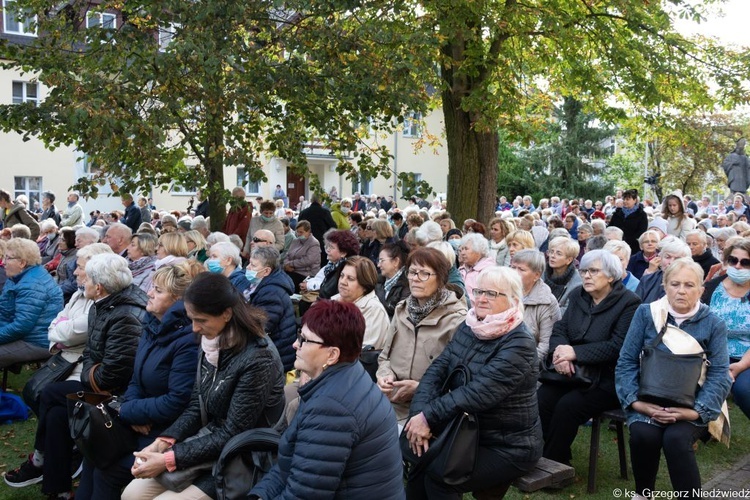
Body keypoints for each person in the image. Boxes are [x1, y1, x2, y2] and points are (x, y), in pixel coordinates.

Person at [122, 272, 285, 500]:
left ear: (227, 314)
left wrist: (169, 458)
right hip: (210, 443)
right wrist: (163, 442)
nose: (194, 329)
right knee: (131, 494)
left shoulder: (259, 357)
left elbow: (234, 431)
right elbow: (196, 405)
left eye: (201, 320)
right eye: (191, 319)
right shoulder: (211, 339)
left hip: (243, 456)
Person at [4, 253, 148, 498]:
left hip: (115, 393)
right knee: (58, 415)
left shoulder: (124, 314)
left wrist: (91, 368)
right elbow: (90, 351)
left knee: (49, 393)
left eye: (86, 276)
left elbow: (112, 375)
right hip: (95, 380)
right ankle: (58, 490)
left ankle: (43, 466)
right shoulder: (103, 305)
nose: (80, 279)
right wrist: (92, 364)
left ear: (99, 286)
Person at [405, 266, 543, 499]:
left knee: (441, 478)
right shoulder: (471, 325)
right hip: (465, 431)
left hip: (508, 445)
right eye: (479, 291)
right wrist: (418, 414)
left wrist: (428, 417)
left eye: (492, 294)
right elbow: (436, 371)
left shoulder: (519, 343)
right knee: (419, 467)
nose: (481, 299)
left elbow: (477, 393)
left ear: (513, 300)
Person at [250, 300, 403, 499]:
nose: (295, 344)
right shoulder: (345, 376)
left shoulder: (332, 408)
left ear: (332, 355)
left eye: (304, 339)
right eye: (299, 335)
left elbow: (305, 494)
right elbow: (293, 467)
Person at [76, 263, 201, 500]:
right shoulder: (152, 325)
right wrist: (130, 412)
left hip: (166, 430)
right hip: (139, 418)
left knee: (109, 469)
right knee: (95, 451)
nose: (150, 292)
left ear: (177, 300)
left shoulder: (187, 340)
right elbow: (135, 378)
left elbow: (178, 400)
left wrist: (130, 411)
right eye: (152, 287)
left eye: (158, 290)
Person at [616, 259, 731, 497]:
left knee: (676, 440)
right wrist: (637, 404)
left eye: (689, 285)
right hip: (647, 399)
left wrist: (696, 412)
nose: (681, 290)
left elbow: (720, 374)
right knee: (643, 435)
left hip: (692, 403)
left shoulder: (714, 323)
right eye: (675, 284)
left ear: (701, 290)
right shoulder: (646, 314)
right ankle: (643, 493)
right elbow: (626, 362)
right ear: (664, 286)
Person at [537, 250, 640, 465]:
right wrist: (561, 355)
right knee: (542, 398)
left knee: (568, 406)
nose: (586, 276)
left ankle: (554, 464)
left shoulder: (629, 303)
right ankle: (546, 455)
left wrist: (575, 353)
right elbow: (560, 330)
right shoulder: (578, 295)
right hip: (572, 371)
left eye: (593, 271)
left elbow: (617, 346)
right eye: (583, 270)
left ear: (611, 275)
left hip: (607, 379)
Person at [376, 247, 467, 422]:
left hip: (429, 411)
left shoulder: (456, 319)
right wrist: (385, 376)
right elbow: (384, 357)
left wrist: (420, 388)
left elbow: (459, 380)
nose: (416, 279)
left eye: (424, 273)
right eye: (412, 272)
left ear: (440, 278)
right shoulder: (402, 309)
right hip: (390, 404)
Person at [701, 238, 750, 418]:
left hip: (746, 357)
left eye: (746, 262)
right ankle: (693, 432)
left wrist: (741, 365)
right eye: (733, 260)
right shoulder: (712, 287)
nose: (738, 266)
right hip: (712, 354)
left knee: (745, 390)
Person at [0, 238, 64, 367]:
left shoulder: (31, 284)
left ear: (22, 263)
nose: (3, 262)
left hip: (36, 341)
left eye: (8, 258)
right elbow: (5, 309)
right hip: (25, 334)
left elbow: (20, 327)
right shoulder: (19, 276)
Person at [244, 247, 297, 373]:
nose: (247, 268)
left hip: (277, 357)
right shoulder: (264, 283)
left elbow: (260, 326)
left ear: (266, 271)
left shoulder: (271, 292)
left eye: (253, 265)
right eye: (249, 263)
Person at [511, 249, 561, 360]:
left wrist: (520, 366)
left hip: (528, 362)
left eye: (521, 269)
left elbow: (545, 345)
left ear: (536, 275)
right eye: (513, 267)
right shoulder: (503, 293)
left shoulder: (547, 301)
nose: (514, 272)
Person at [333, 256, 390, 349]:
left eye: (350, 278)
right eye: (342, 276)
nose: (342, 282)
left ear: (364, 285)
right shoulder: (335, 300)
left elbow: (365, 353)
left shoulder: (374, 310)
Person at [299, 229, 360, 314]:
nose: (327, 250)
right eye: (327, 246)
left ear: (343, 253)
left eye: (331, 247)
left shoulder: (344, 271)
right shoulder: (332, 266)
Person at [636, 239, 691, 304]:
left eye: (677, 259)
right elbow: (635, 307)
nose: (671, 262)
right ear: (660, 258)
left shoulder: (691, 284)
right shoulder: (647, 280)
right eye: (667, 257)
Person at [543, 236, 582, 315]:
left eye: (558, 253)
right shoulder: (540, 274)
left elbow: (567, 312)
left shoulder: (578, 282)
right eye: (551, 251)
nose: (552, 256)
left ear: (569, 260)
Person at [298, 193, 337, 266]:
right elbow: (333, 227)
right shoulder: (325, 212)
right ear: (321, 201)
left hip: (306, 242)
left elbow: (298, 228)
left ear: (311, 200)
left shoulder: (304, 212)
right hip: (322, 243)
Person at [375, 241, 411, 319]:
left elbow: (400, 317)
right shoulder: (377, 281)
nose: (378, 265)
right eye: (378, 260)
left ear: (395, 262)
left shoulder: (407, 285)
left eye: (382, 260)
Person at [282, 220, 321, 292]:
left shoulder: (314, 243)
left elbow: (308, 260)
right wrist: (286, 265)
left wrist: (290, 264)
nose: (299, 234)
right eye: (297, 232)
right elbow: (287, 255)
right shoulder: (295, 241)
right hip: (291, 270)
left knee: (286, 283)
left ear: (308, 231)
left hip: (305, 273)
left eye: (301, 232)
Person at [609, 189, 649, 256]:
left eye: (627, 199)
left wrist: (628, 240)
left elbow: (642, 231)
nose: (625, 201)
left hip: (633, 248)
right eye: (624, 199)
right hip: (615, 246)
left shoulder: (641, 214)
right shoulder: (617, 213)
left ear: (634, 200)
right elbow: (611, 227)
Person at [458, 233, 495, 303]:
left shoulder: (489, 271)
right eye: (461, 249)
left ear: (478, 251)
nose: (462, 253)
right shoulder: (461, 269)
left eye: (466, 249)